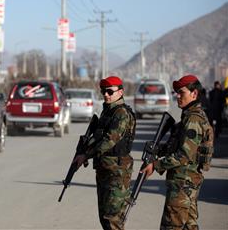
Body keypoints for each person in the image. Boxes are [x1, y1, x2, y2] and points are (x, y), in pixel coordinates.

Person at [141, 74, 214, 230]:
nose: (178, 96)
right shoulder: (190, 117)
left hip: (182, 184)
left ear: (194, 94)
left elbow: (184, 155)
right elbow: (178, 147)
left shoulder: (193, 119)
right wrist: (158, 149)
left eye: (182, 92)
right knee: (189, 226)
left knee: (170, 226)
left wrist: (156, 165)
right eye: (176, 93)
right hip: (187, 183)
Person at [73, 76, 136, 230]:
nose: (106, 94)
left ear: (120, 92)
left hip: (117, 174)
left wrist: (86, 155)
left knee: (113, 221)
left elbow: (109, 141)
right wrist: (85, 150)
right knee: (104, 218)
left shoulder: (121, 113)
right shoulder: (107, 112)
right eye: (103, 91)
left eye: (110, 91)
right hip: (104, 171)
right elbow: (97, 139)